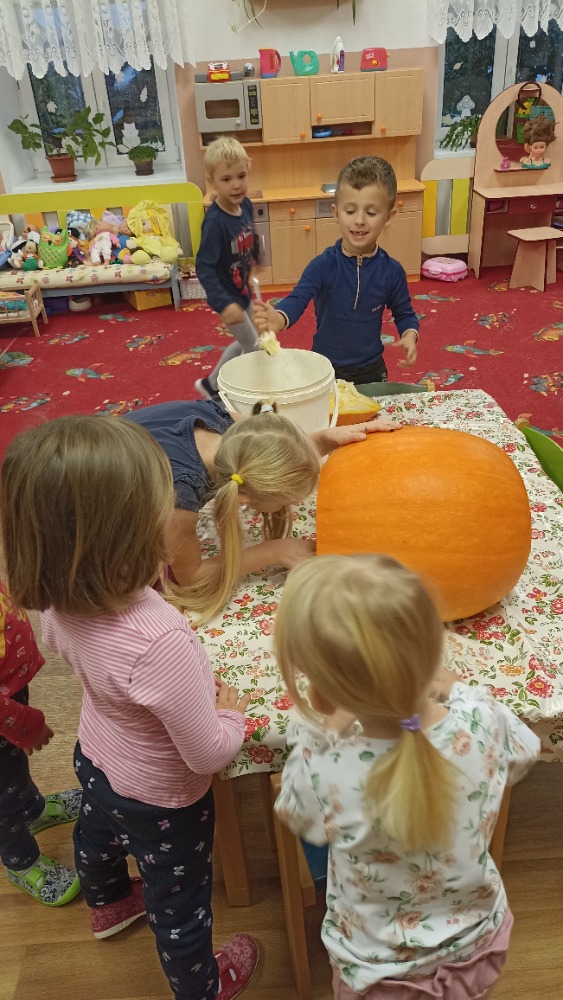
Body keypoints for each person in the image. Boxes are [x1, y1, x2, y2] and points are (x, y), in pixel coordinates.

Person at [0, 415, 258, 1000]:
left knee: (97, 831)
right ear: (130, 536)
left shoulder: (56, 598)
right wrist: (230, 716)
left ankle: (110, 903)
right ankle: (202, 987)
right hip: (163, 797)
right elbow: (207, 755)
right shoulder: (159, 638)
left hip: (96, 757)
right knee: (179, 902)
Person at [274, 554, 540, 1000]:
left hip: (377, 977)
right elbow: (526, 749)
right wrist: (459, 690)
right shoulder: (483, 721)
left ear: (321, 695)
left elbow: (300, 816)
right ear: (434, 652)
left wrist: (320, 730)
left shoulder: (322, 769)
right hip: (477, 951)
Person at [125, 398, 395, 624]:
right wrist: (272, 552)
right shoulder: (178, 498)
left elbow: (275, 449)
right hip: (104, 516)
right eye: (287, 501)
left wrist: (325, 438)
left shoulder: (238, 430)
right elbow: (191, 578)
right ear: (243, 498)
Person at [253, 156, 419, 386]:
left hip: (372, 369)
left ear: (388, 217)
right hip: (325, 367)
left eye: (371, 213)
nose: (359, 220)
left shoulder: (392, 271)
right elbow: (297, 299)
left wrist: (409, 335)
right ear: (336, 212)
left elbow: (405, 313)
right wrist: (279, 319)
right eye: (350, 211)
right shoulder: (322, 265)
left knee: (374, 411)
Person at [0, 581, 81, 906]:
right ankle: (20, 862)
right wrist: (24, 724)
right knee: (2, 796)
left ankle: (32, 810)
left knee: (12, 769)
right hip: (4, 709)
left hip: (8, 687)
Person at [195, 136, 259, 402]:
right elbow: (204, 267)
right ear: (212, 181)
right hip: (228, 297)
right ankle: (237, 394)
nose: (236, 185)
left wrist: (256, 259)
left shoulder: (245, 205)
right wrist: (223, 304)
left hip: (242, 289)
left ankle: (210, 384)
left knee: (252, 338)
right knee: (255, 348)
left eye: (241, 176)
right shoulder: (215, 223)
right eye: (226, 179)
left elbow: (251, 233)